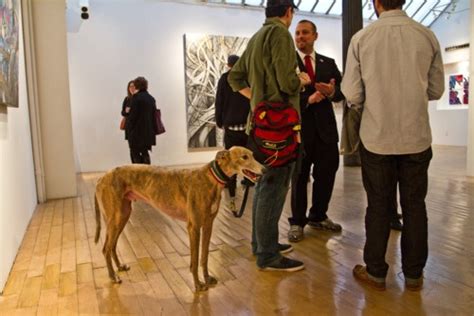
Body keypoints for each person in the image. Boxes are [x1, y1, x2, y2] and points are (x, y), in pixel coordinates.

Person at [341, 0, 444, 291]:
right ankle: (413, 275)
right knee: (415, 206)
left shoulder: (362, 38)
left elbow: (352, 93)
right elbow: (436, 90)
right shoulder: (426, 35)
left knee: (378, 206)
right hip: (416, 137)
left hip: (377, 138)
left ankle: (375, 271)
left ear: (375, 4)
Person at [228, 0, 311, 272]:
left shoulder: (256, 37)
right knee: (274, 188)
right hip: (279, 128)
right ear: (288, 12)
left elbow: (235, 78)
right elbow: (288, 83)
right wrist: (301, 79)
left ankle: (262, 243)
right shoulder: (280, 35)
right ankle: (267, 254)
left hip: (259, 127)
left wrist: (256, 100)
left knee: (264, 186)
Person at [287, 20, 344, 243]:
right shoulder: (287, 63)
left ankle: (318, 216)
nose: (301, 37)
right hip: (300, 131)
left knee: (326, 175)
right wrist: (307, 99)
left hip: (326, 132)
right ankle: (297, 222)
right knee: (299, 177)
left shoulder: (328, 63)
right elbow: (283, 95)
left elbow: (342, 93)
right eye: (298, 33)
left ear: (315, 36)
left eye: (305, 33)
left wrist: (331, 92)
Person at [215, 54, 251, 211]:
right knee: (248, 157)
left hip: (231, 126)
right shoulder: (247, 77)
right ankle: (249, 184)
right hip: (247, 127)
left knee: (231, 159)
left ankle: (231, 191)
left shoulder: (224, 79)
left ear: (228, 64)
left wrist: (219, 121)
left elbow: (219, 101)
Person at [126, 76, 158, 164]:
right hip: (148, 132)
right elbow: (153, 116)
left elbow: (132, 117)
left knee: (135, 153)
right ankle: (148, 173)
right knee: (145, 153)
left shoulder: (136, 98)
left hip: (136, 133)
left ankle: (138, 174)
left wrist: (129, 130)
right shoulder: (151, 99)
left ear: (137, 86)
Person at [122, 80, 137, 162]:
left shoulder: (138, 98)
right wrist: (126, 112)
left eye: (133, 86)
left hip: (137, 128)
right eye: (130, 86)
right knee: (131, 149)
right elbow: (122, 112)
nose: (132, 88)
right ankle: (133, 168)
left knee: (138, 150)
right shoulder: (127, 99)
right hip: (129, 127)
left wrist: (131, 111)